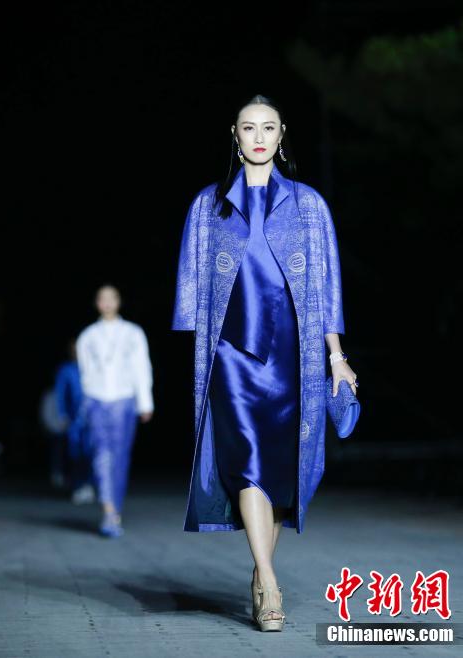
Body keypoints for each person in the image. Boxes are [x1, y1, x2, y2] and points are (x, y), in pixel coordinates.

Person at [172, 94, 358, 632]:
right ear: (234, 135)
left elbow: (326, 290)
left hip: (292, 359)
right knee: (248, 461)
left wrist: (336, 358)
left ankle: (259, 569)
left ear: (281, 135)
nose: (258, 136)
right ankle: (270, 583)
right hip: (229, 357)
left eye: (268, 127)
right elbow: (192, 297)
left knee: (280, 475)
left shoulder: (308, 205)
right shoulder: (208, 207)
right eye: (248, 127)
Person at [76, 285, 154, 538]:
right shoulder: (87, 336)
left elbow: (142, 367)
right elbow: (85, 373)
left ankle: (115, 509)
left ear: (119, 302)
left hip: (124, 399)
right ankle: (108, 511)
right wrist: (87, 400)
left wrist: (145, 403)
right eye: (102, 299)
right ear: (96, 303)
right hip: (97, 400)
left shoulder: (133, 332)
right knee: (101, 453)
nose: (107, 303)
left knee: (119, 456)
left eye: (112, 298)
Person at [53, 340, 95, 504]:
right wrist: (62, 415)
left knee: (92, 452)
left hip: (93, 418)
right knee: (75, 453)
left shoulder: (93, 368)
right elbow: (60, 393)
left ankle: (90, 485)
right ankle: (78, 486)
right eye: (75, 350)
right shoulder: (66, 370)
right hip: (75, 420)